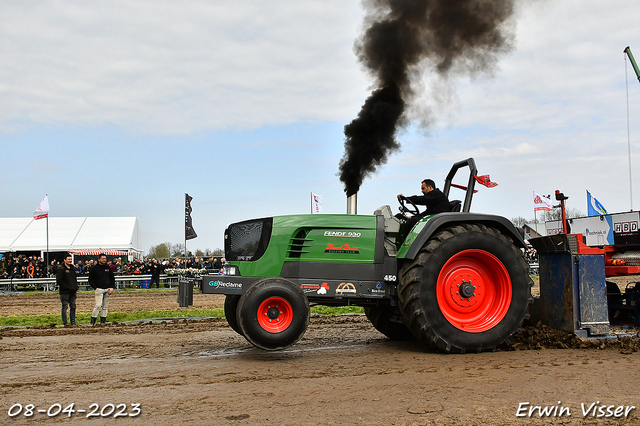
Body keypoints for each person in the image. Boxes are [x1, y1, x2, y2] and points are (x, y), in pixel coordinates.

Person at [88, 253, 115, 325]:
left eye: (105, 259)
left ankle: (103, 321)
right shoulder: (94, 268)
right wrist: (95, 287)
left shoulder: (108, 268)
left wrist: (112, 287)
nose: (104, 260)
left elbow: (112, 278)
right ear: (99, 259)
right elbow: (90, 279)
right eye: (102, 259)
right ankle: (93, 321)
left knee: (105, 306)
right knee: (98, 305)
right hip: (99, 289)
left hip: (107, 289)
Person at [56, 253, 79, 326]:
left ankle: (73, 322)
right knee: (65, 307)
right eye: (68, 259)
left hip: (72, 292)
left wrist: (75, 287)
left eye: (71, 259)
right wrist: (67, 287)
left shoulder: (72, 268)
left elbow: (74, 279)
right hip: (65, 292)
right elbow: (59, 281)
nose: (70, 261)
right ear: (64, 260)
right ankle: (65, 323)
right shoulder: (61, 269)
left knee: (73, 307)